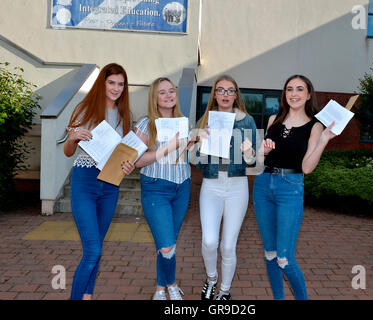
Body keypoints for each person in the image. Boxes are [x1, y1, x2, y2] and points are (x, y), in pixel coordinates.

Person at [252, 75, 336, 300]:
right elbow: (258, 162)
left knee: (284, 258)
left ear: (309, 94)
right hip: (262, 185)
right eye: (289, 89)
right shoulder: (273, 120)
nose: (294, 93)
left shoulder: (315, 126)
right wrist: (262, 152)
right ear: (284, 94)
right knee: (270, 254)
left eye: (300, 89)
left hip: (290, 188)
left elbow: (307, 168)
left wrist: (324, 140)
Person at [64, 63, 135, 300]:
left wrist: (129, 164)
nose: (116, 88)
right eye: (112, 82)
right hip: (85, 180)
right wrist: (73, 137)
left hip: (110, 184)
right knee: (92, 250)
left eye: (121, 84)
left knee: (96, 250)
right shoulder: (86, 109)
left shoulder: (125, 116)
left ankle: (87, 297)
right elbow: (67, 151)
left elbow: (125, 152)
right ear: (103, 83)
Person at [192, 75, 258, 300]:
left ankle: (224, 290)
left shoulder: (246, 121)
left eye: (230, 91)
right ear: (215, 94)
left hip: (237, 187)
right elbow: (198, 163)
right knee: (210, 241)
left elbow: (253, 162)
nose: (226, 95)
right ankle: (211, 279)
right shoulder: (205, 120)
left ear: (236, 94)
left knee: (228, 246)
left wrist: (248, 152)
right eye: (221, 90)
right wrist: (199, 144)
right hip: (211, 185)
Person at [134, 77, 192, 300]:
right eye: (162, 93)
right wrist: (168, 147)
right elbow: (137, 161)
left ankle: (160, 288)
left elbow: (187, 157)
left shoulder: (183, 122)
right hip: (156, 188)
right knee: (167, 246)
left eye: (171, 91)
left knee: (168, 243)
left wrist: (193, 146)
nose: (169, 95)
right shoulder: (146, 124)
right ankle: (172, 284)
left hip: (182, 187)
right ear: (154, 98)